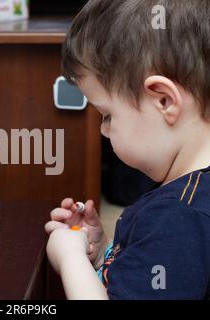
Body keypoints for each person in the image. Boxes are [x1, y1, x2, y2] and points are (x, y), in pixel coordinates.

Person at [45, 0, 210, 299]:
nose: (103, 130)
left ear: (164, 101)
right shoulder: (189, 200)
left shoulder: (177, 218)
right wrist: (105, 252)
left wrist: (71, 259)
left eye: (107, 115)